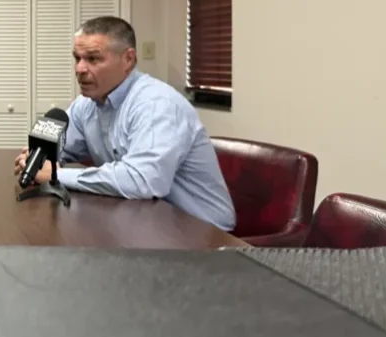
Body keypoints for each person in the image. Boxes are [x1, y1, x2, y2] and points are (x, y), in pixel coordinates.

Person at [13, 16, 236, 231]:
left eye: (93, 59)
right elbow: (57, 150)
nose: (79, 69)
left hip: (203, 234)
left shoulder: (156, 104)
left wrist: (55, 174)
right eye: (77, 58)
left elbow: (142, 181)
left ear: (128, 59)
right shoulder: (86, 105)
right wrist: (37, 157)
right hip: (143, 219)